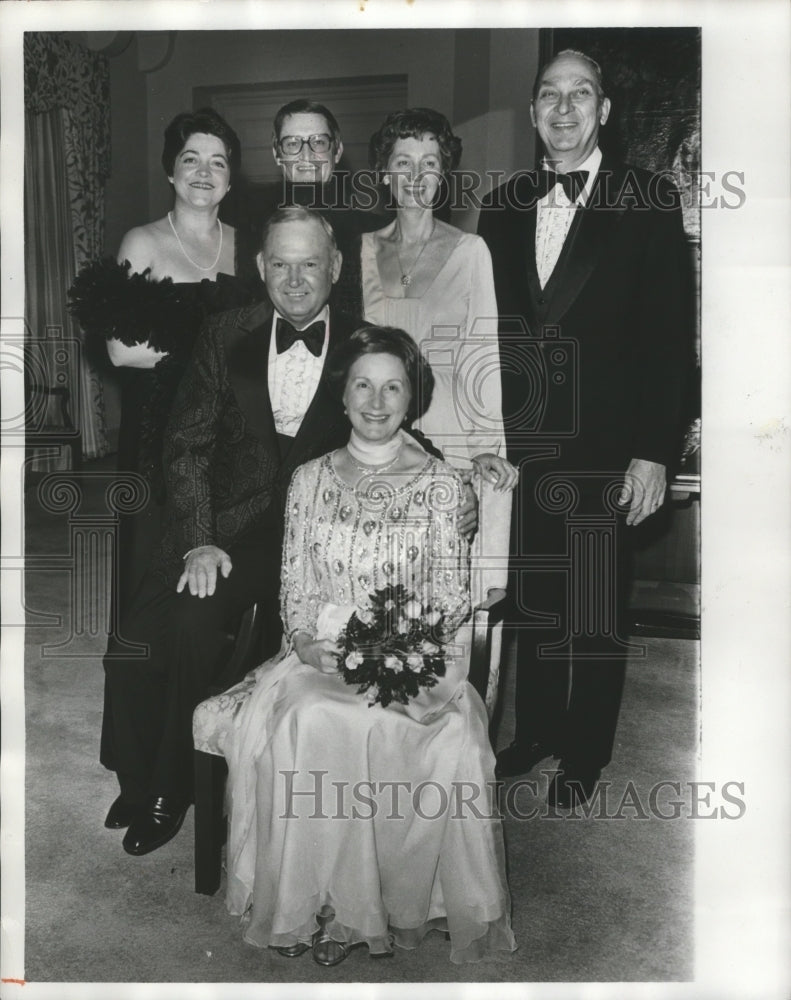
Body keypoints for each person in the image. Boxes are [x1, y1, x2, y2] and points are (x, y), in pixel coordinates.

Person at [101, 207, 474, 856]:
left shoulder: (362, 342)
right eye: (280, 263)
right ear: (259, 268)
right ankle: (135, 779)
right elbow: (184, 445)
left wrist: (454, 486)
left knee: (191, 628)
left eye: (309, 264)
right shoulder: (224, 334)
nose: (295, 279)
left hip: (316, 542)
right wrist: (197, 536)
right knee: (133, 635)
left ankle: (171, 789)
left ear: (333, 268)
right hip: (226, 530)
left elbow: (394, 419)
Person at [194, 326, 517, 966]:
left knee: (426, 732)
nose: (376, 401)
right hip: (323, 654)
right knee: (309, 716)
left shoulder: (443, 486)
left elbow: (452, 595)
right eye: (362, 386)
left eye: (392, 386)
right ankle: (316, 900)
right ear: (341, 397)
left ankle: (389, 905)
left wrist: (399, 643)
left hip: (417, 654)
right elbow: (296, 586)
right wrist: (310, 642)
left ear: (411, 398)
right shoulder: (309, 480)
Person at [477, 50, 690, 806]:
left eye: (580, 95)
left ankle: (583, 751)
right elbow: (488, 334)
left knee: (595, 607)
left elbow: (670, 340)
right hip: (522, 447)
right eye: (548, 96)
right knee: (532, 603)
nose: (562, 109)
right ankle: (533, 731)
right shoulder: (500, 206)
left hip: (609, 445)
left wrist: (652, 453)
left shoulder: (646, 199)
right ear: (532, 112)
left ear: (603, 111)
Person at [68, 107, 254, 615]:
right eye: (190, 159)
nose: (203, 172)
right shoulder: (143, 241)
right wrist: (210, 346)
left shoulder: (248, 246)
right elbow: (119, 349)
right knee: (155, 551)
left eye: (217, 163)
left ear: (230, 177)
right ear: (171, 169)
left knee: (220, 554)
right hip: (158, 422)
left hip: (226, 424)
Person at [361, 107, 517, 707]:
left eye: (431, 164)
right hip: (379, 444)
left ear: (444, 176)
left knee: (441, 600)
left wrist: (483, 451)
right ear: (384, 174)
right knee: (379, 588)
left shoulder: (471, 249)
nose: (417, 175)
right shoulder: (360, 250)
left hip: (450, 444)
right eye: (403, 162)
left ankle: (443, 731)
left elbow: (484, 351)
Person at [236, 98, 386, 320]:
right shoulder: (249, 231)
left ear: (337, 151)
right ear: (277, 153)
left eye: (318, 142)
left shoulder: (374, 231)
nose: (306, 155)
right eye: (292, 143)